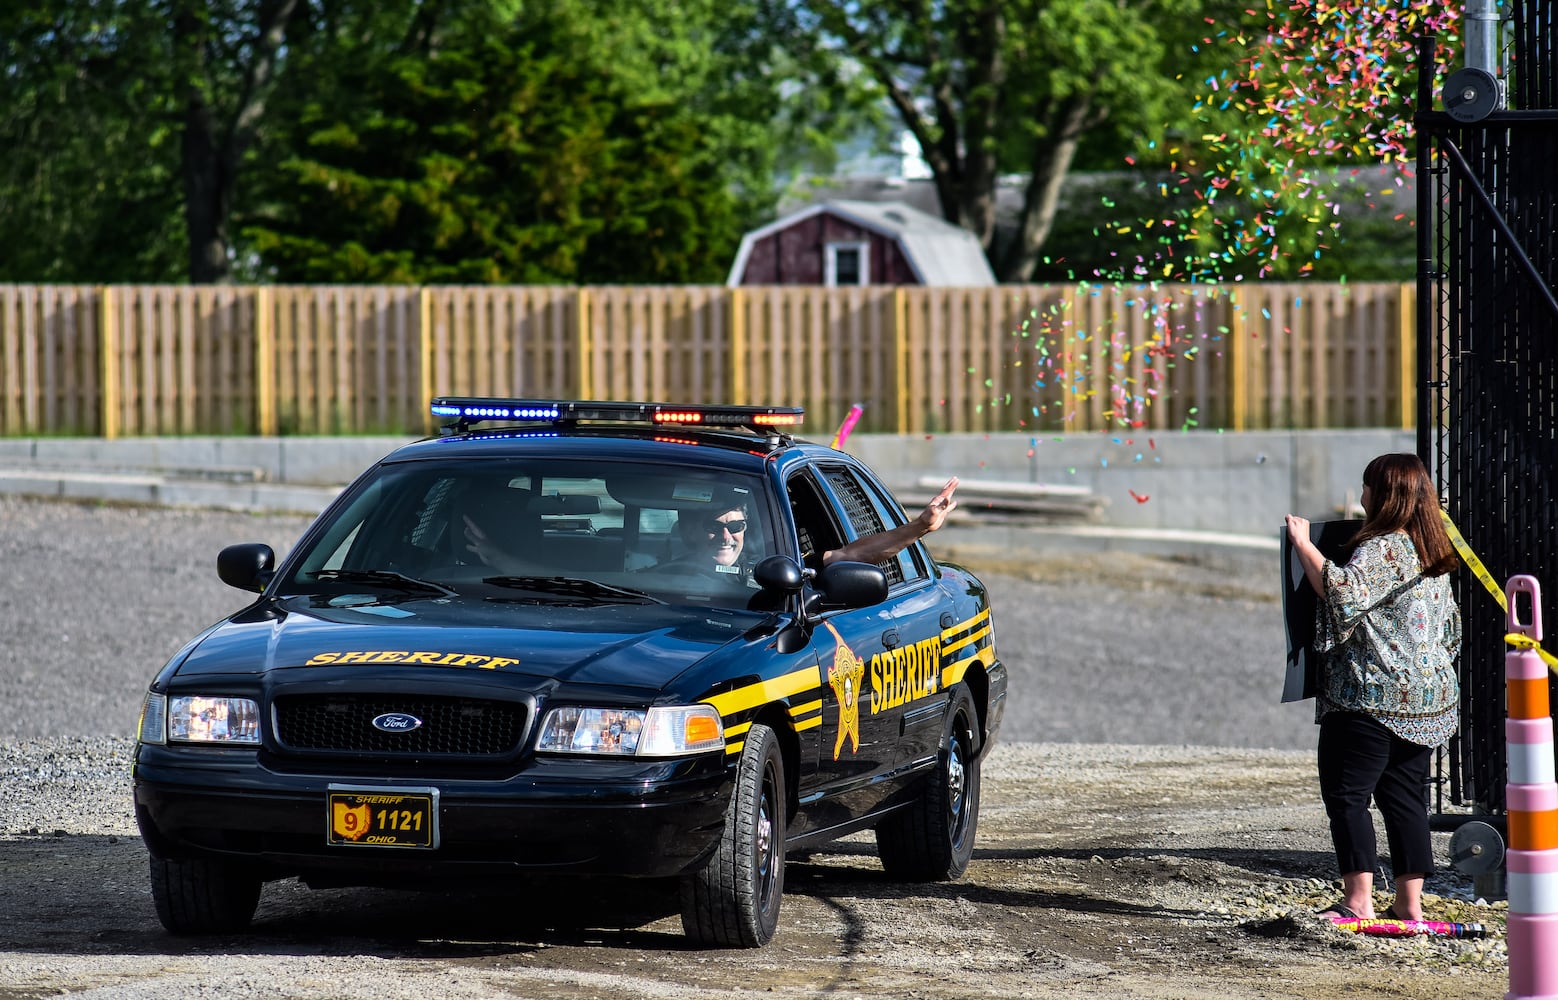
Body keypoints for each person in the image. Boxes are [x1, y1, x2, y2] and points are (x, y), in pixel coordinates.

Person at [1284, 454, 1460, 923]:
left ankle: (1357, 901)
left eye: (1366, 487)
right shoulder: (1434, 549)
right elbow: (1452, 632)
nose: (1361, 496)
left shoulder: (1386, 546)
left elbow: (1341, 592)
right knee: (1406, 799)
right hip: (1428, 701)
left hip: (1369, 696)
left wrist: (1304, 544)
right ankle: (1410, 907)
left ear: (1383, 494)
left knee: (1347, 795)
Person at [673, 476, 962, 577]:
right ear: (687, 531)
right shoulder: (654, 579)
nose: (726, 535)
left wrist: (920, 526)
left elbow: (853, 556)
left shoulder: (779, 571)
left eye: (735, 524)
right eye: (712, 526)